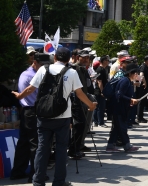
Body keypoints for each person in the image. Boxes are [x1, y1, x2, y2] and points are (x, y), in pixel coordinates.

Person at [14, 47, 97, 186]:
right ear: (68, 59)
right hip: (63, 116)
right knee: (61, 149)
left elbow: (30, 88)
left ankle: (38, 180)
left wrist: (19, 95)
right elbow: (79, 93)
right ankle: (59, 181)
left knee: (42, 148)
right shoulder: (71, 72)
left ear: (56, 58)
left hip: (43, 115)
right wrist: (90, 105)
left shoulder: (43, 69)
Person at [11, 54, 50, 183]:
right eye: (42, 64)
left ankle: (18, 171)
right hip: (33, 111)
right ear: (35, 62)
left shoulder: (25, 73)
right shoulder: (34, 76)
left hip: (26, 111)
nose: (44, 67)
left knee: (24, 143)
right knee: (36, 144)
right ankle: (35, 174)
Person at [106, 63, 140, 152]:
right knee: (122, 127)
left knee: (117, 128)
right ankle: (127, 146)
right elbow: (119, 95)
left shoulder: (128, 81)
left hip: (121, 108)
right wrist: (131, 100)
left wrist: (130, 101)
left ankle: (110, 146)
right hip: (119, 108)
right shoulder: (125, 81)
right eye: (135, 73)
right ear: (130, 73)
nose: (137, 75)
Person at [94, 55, 109, 127]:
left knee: (98, 107)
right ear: (103, 61)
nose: (108, 62)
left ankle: (96, 121)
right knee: (100, 107)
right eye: (107, 60)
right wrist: (102, 91)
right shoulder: (100, 69)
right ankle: (100, 122)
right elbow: (99, 82)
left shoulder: (103, 69)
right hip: (99, 91)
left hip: (101, 90)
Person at [137, 55, 148, 123]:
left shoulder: (146, 67)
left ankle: (141, 116)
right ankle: (139, 117)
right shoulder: (143, 67)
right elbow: (141, 75)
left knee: (143, 102)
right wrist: (144, 82)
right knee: (141, 102)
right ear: (147, 60)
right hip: (143, 87)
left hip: (145, 88)